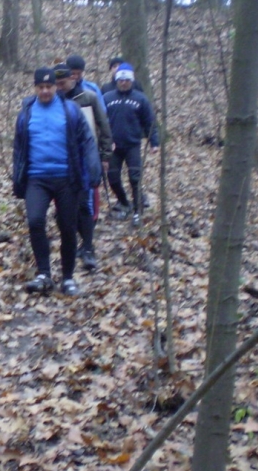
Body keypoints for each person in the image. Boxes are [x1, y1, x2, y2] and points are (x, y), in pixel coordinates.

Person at [13, 67, 101, 296]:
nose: (45, 91)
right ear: (35, 88)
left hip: (66, 178)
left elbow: (87, 140)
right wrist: (18, 179)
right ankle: (44, 273)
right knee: (35, 221)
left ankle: (68, 277)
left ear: (55, 87)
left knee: (68, 227)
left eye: (49, 86)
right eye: (40, 87)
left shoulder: (70, 110)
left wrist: (93, 169)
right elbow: (19, 149)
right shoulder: (26, 113)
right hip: (36, 177)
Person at [54, 64, 112, 271]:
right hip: (61, 160)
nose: (59, 88)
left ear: (72, 79)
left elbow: (103, 126)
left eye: (62, 83)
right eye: (56, 84)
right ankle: (77, 243)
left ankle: (88, 247)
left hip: (86, 158)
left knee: (85, 205)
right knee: (64, 209)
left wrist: (105, 155)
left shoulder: (89, 98)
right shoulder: (52, 102)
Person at [104, 63, 159, 225]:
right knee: (113, 178)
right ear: (116, 80)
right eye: (120, 80)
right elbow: (100, 122)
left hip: (132, 145)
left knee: (135, 178)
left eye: (127, 80)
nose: (123, 83)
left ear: (132, 80)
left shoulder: (140, 98)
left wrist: (154, 142)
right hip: (113, 146)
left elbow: (149, 122)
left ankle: (137, 212)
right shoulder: (107, 98)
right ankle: (124, 203)